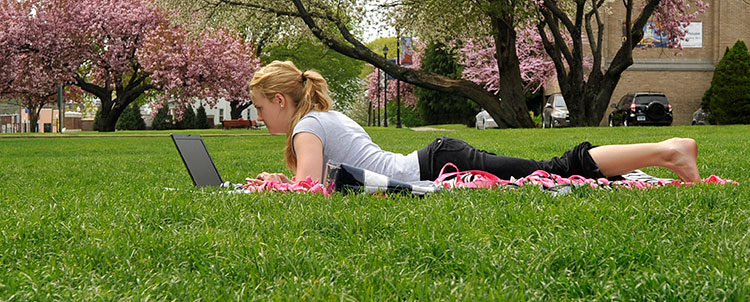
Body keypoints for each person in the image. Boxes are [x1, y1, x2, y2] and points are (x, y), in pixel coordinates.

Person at [247, 61, 700, 186]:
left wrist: (272, 186)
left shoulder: (308, 127)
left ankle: (669, 150)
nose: (258, 116)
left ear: (281, 100)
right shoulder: (324, 118)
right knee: (554, 168)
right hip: (437, 159)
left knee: (558, 169)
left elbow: (305, 190)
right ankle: (666, 151)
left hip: (438, 164)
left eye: (261, 108)